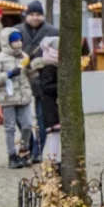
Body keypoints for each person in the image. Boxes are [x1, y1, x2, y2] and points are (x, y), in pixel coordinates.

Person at [0, 28, 35, 168]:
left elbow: (29, 74)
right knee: (10, 128)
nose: (18, 42)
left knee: (27, 125)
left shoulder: (23, 56)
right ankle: (12, 156)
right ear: (7, 42)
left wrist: (31, 68)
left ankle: (23, 151)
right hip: (7, 98)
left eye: (19, 39)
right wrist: (8, 74)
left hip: (24, 97)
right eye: (14, 40)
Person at [19, 0, 58, 164]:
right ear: (26, 16)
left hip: (44, 80)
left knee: (42, 117)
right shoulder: (17, 31)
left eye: (38, 14)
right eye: (32, 14)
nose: (35, 18)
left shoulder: (53, 31)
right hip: (22, 80)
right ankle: (28, 145)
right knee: (23, 119)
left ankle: (37, 150)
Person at [32, 37, 62, 167]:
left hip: (55, 104)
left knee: (58, 134)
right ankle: (53, 160)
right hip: (51, 106)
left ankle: (56, 159)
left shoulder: (56, 64)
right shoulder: (49, 66)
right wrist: (62, 86)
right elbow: (46, 87)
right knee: (55, 134)